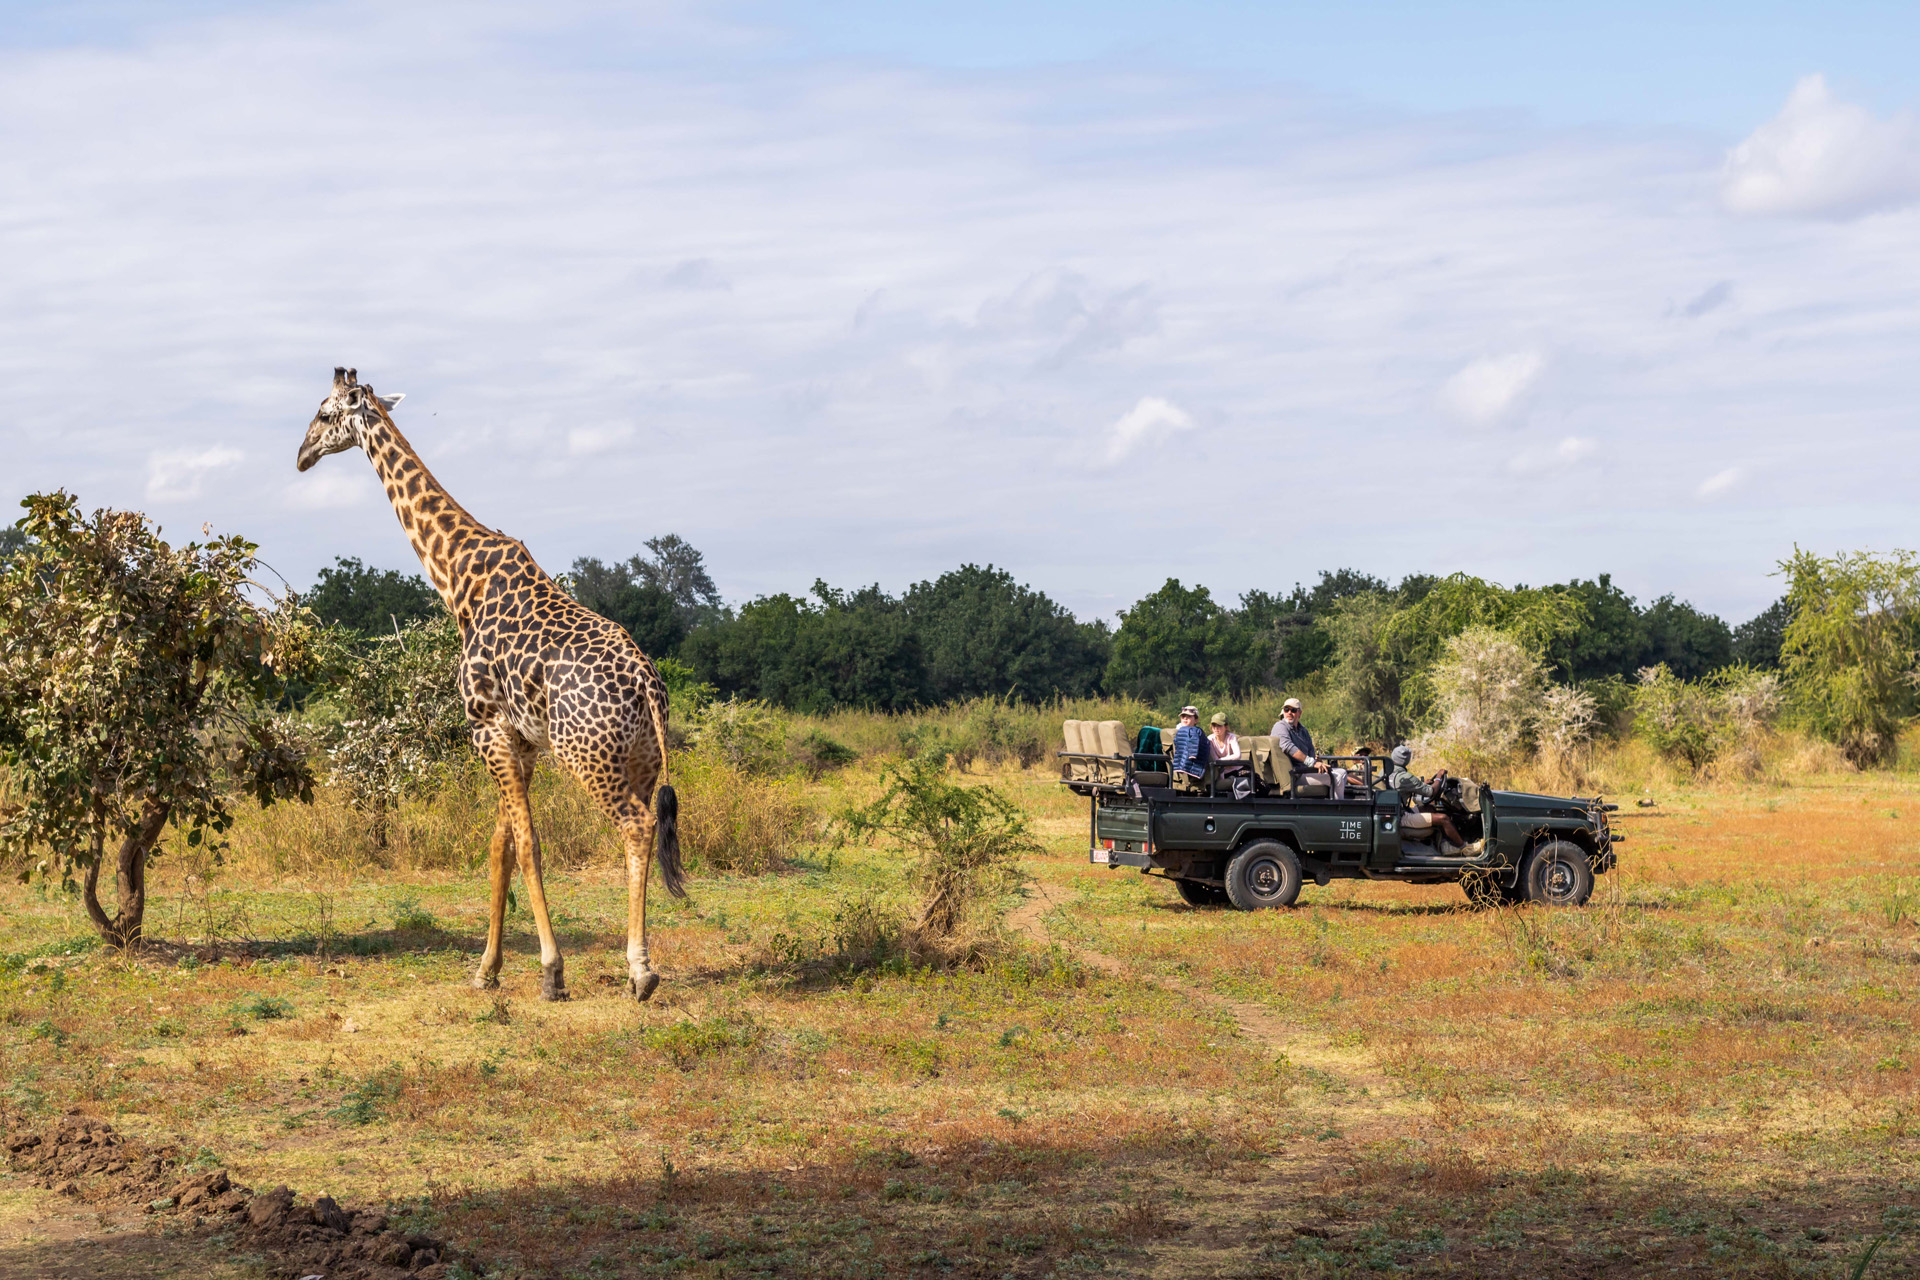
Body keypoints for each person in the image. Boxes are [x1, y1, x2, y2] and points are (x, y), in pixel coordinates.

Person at [1386, 744, 1477, 853]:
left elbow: (1402, 787)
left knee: (1430, 809)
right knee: (1444, 818)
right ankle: (1465, 848)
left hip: (1395, 813)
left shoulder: (1386, 772)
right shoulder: (1405, 777)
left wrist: (1422, 784)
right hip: (1401, 817)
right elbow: (1431, 792)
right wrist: (1439, 776)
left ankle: (1445, 845)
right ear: (1407, 760)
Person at [1269, 697, 1345, 798]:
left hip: (1304, 771)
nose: (1289, 713)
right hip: (1293, 774)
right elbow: (1288, 747)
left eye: (1293, 710)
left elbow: (1310, 750)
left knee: (1342, 772)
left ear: (1300, 713)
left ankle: (1335, 803)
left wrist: (1315, 761)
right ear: (1283, 711)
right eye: (1286, 709)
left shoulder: (1302, 730)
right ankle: (1338, 810)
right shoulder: (1280, 727)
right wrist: (1312, 762)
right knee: (1337, 778)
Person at [1169, 705, 1209, 787]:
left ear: (1196, 720)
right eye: (1183, 716)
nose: (1185, 718)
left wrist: (1192, 755)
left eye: (1189, 717)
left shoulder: (1195, 731)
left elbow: (1194, 743)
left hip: (1192, 760)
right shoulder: (1180, 731)